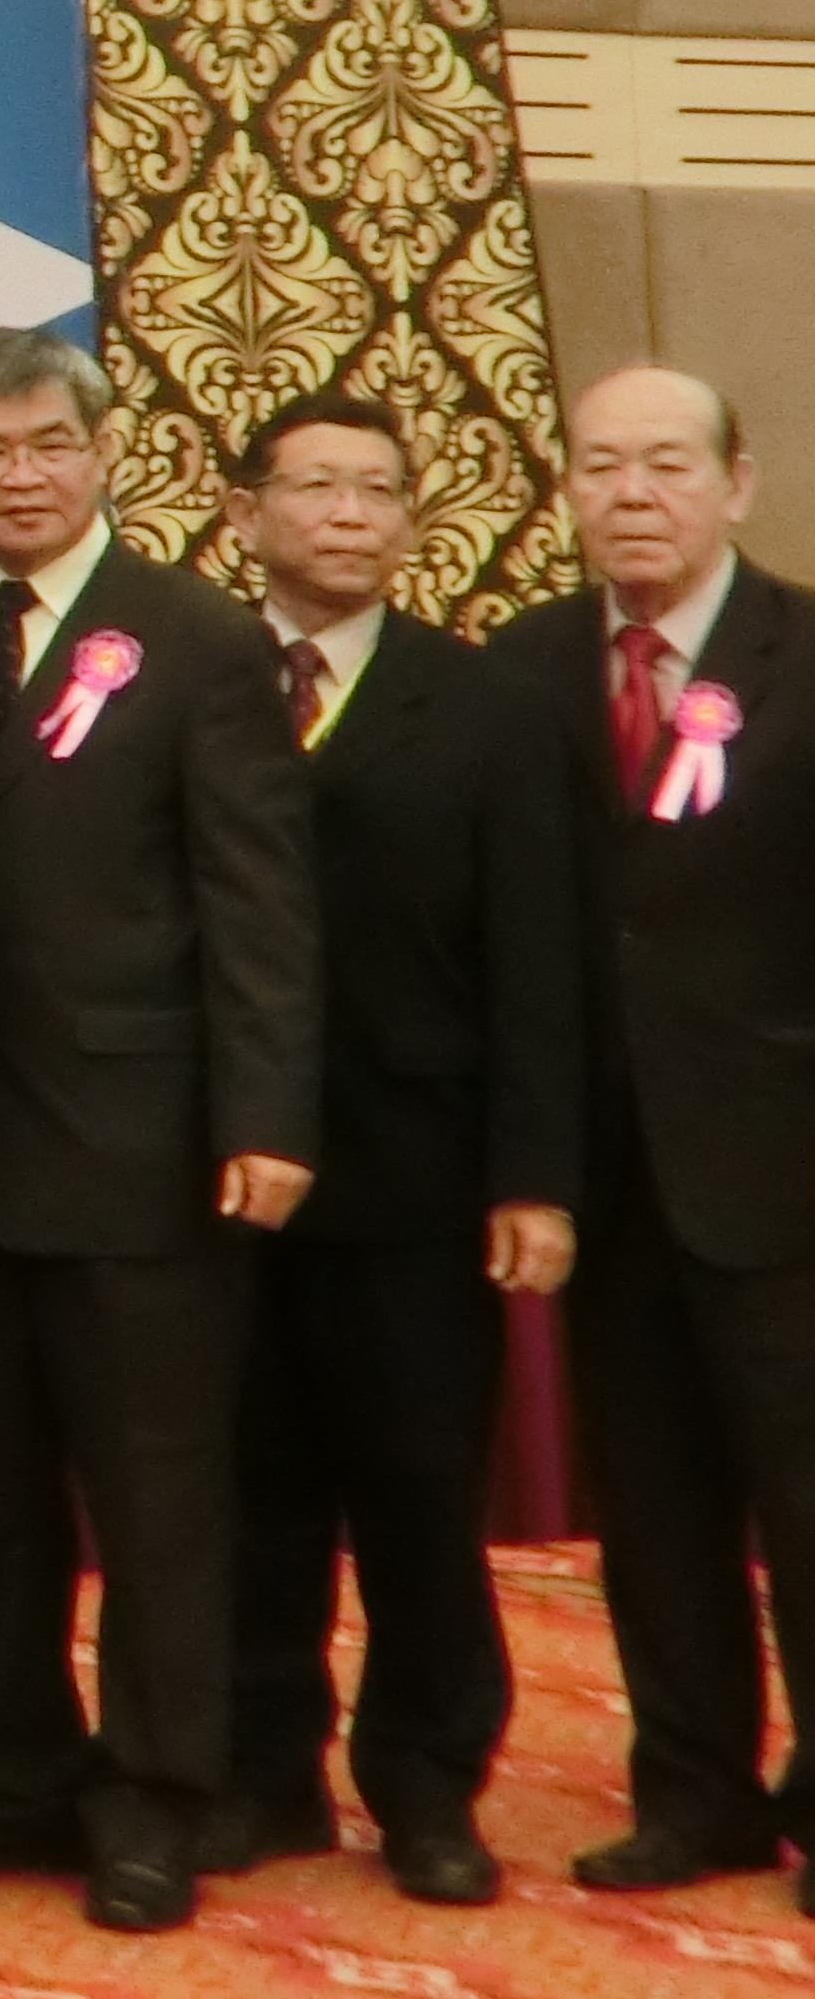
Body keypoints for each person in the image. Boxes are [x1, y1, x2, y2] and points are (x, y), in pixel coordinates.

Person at [0, 324, 319, 1932]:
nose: (21, 476)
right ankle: (6, 1778)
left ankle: (158, 1799)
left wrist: (269, 1113)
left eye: (47, 445)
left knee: (157, 1498)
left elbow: (262, 902)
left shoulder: (198, 637)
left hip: (146, 1148)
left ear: (104, 454)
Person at [214, 393, 576, 1904]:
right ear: (247, 514)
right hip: (224, 1172)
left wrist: (535, 1173)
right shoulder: (190, 676)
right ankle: (259, 1774)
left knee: (421, 1496)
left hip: (417, 1175)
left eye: (378, 489)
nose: (349, 513)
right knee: (247, 1490)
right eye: (316, 487)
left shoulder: (480, 702)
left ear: (413, 521)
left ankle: (430, 1786)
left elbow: (539, 957)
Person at [487, 363, 815, 1901]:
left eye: (666, 463)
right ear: (568, 490)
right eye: (601, 465)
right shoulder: (529, 666)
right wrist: (533, 1172)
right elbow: (526, 945)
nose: (632, 492)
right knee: (660, 1515)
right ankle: (696, 1795)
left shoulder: (806, 652)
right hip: (609, 1188)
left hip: (786, 1170)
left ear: (734, 483)